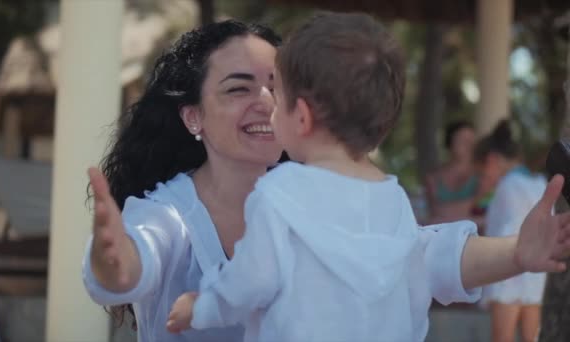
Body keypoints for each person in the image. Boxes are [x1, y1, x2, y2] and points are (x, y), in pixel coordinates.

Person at [164, 13, 570, 342]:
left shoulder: (278, 194)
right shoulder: (392, 199)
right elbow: (414, 297)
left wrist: (201, 307)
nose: (269, 108)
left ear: (301, 117)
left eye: (278, 97)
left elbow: (250, 282)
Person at [82, 20, 283, 342]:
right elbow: (135, 260)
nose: (267, 102)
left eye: (277, 88)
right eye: (239, 88)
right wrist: (114, 263)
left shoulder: (306, 204)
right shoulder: (167, 215)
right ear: (193, 117)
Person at [475, 121, 548, 342]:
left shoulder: (508, 186)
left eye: (482, 173)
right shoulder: (538, 182)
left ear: (491, 161)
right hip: (536, 273)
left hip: (508, 272)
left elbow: (507, 233)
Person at [425, 121, 479, 223]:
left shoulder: (482, 175)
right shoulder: (433, 178)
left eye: (472, 141)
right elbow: (434, 214)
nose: (469, 145)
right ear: (450, 142)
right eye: (462, 140)